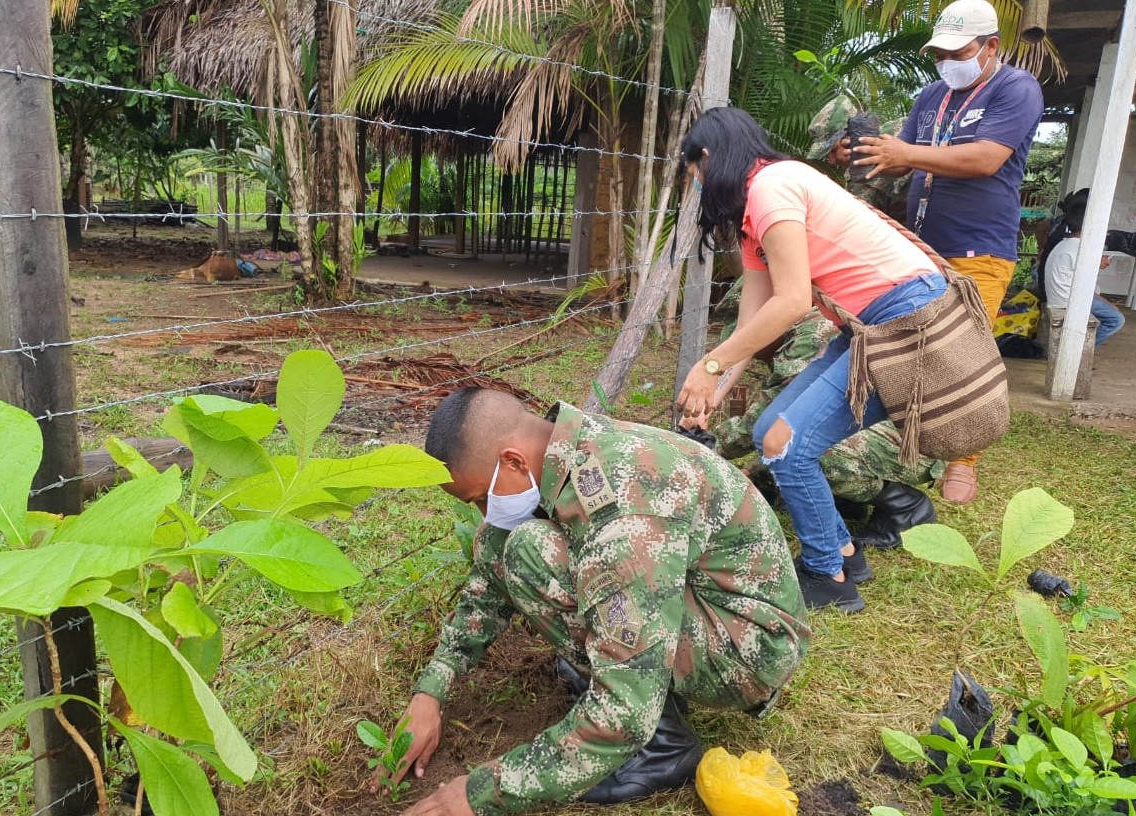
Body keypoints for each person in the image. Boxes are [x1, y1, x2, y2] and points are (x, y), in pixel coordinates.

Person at [382, 388, 809, 816]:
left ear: (513, 460)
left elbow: (626, 708)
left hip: (747, 649)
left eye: (479, 498)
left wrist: (480, 795)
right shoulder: (566, 447)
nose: (482, 512)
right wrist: (430, 693)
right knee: (508, 541)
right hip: (706, 601)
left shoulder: (620, 508)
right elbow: (490, 571)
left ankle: (664, 746)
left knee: (531, 549)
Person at [675, 105, 949, 613]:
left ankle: (829, 575)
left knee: (786, 444)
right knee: (770, 431)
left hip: (904, 318)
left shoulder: (771, 188)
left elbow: (794, 301)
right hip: (866, 324)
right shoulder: (756, 211)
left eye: (693, 176)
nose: (697, 187)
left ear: (707, 158)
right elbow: (751, 324)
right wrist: (714, 388)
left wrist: (709, 366)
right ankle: (844, 550)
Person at [851, 0, 1044, 505]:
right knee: (910, 346)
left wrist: (906, 154)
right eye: (939, 53)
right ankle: (911, 441)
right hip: (920, 246)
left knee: (965, 355)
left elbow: (985, 159)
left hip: (979, 246)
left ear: (990, 47)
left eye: (956, 52)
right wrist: (877, 156)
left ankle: (964, 460)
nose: (945, 61)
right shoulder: (932, 95)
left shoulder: (1015, 88)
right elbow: (906, 160)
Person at [710, 292, 943, 551]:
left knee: (801, 448)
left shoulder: (811, 336)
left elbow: (775, 419)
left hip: (916, 442)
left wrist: (703, 451)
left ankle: (906, 507)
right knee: (793, 441)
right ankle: (847, 501)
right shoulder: (807, 323)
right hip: (886, 426)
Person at [807, 96, 910, 223]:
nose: (831, 161)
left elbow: (854, 224)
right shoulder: (903, 128)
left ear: (849, 138)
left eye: (833, 151)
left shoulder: (861, 173)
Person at [1041, 191, 1124, 346]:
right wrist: (1108, 303)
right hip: (1068, 301)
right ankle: (1078, 349)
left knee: (1103, 302)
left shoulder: (1065, 243)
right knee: (1116, 319)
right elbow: (1085, 292)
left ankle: (1077, 346)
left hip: (1060, 298)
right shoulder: (1081, 251)